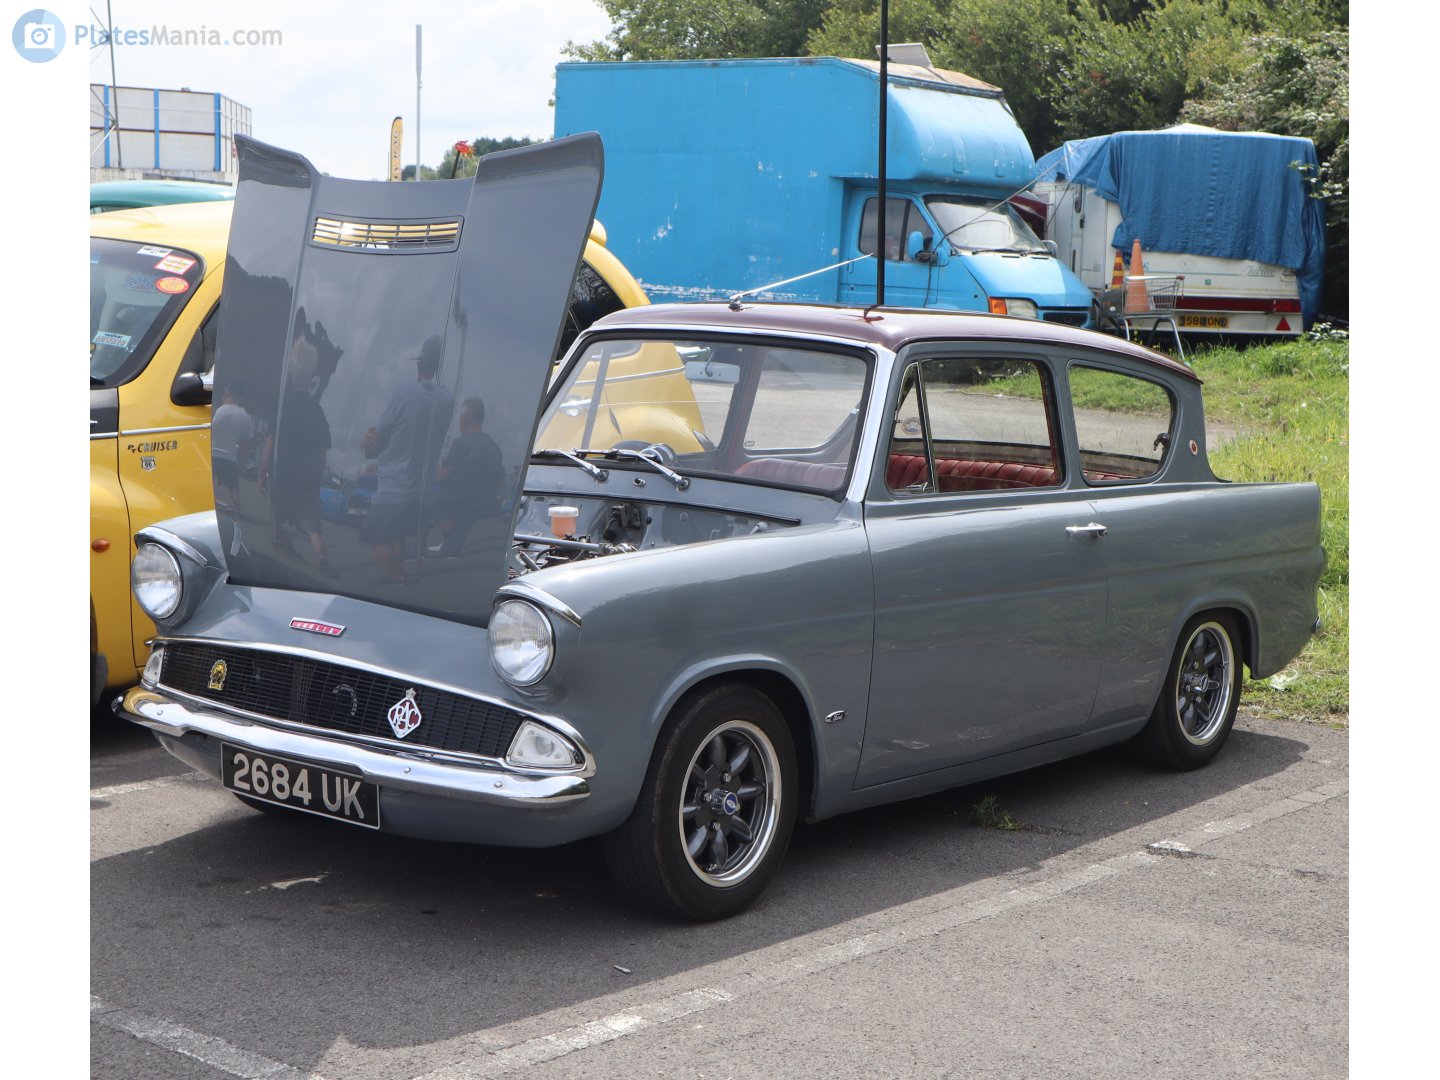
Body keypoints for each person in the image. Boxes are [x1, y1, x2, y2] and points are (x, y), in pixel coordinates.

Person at [360, 336, 454, 583]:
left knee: (378, 549)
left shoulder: (405, 392)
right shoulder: (447, 400)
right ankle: (402, 580)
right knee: (402, 544)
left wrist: (371, 440)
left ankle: (398, 580)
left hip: (392, 489)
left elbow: (376, 437)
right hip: (421, 492)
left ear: (418, 365)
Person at [426, 397, 504, 556]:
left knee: (426, 510)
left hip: (457, 502)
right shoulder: (494, 447)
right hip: (482, 503)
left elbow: (443, 475)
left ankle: (420, 553)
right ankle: (451, 544)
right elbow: (500, 479)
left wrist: (433, 469)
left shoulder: (461, 443)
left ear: (464, 420)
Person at [210, 383, 254, 512]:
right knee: (234, 491)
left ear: (228, 394)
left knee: (208, 485)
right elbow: (245, 445)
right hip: (229, 458)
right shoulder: (246, 417)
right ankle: (238, 511)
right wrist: (242, 463)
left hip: (211, 454)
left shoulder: (218, 411)